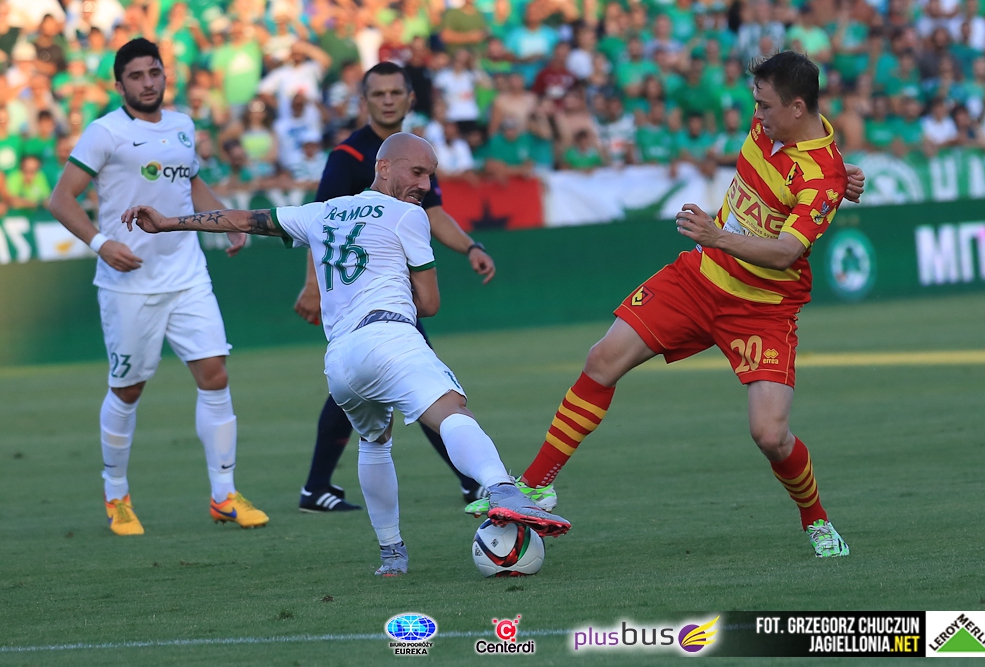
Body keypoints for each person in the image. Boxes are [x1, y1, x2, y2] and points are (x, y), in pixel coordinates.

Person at [466, 51, 869, 559]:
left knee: (770, 435)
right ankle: (535, 485)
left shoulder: (823, 179)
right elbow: (812, 156)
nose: (757, 114)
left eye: (765, 105)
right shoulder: (784, 135)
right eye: (755, 103)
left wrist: (719, 235)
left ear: (797, 107)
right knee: (602, 359)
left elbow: (787, 251)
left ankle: (816, 519)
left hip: (762, 308)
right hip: (698, 279)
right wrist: (844, 172)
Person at [121, 133, 572, 575]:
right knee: (452, 410)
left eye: (430, 176)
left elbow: (245, 219)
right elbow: (430, 304)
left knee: (375, 443)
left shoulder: (322, 211)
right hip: (389, 337)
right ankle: (501, 488)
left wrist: (168, 222)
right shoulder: (408, 215)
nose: (424, 184)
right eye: (417, 172)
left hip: (340, 361)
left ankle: (392, 554)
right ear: (383, 167)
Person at [48, 38, 268, 536]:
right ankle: (116, 495)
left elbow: (190, 184)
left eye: (154, 72)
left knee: (215, 374)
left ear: (165, 74)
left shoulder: (183, 125)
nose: (148, 83)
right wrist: (102, 243)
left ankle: (224, 494)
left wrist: (228, 221)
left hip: (187, 273)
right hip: (128, 282)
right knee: (128, 389)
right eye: (136, 76)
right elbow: (61, 199)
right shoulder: (105, 132)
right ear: (119, 84)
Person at [294, 61, 497, 514]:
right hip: (361, 300)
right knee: (421, 382)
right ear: (364, 101)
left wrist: (469, 247)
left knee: (365, 386)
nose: (387, 100)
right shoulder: (348, 157)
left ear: (410, 98)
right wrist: (312, 285)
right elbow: (320, 223)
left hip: (393, 297)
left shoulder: (414, 155)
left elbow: (434, 213)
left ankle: (315, 487)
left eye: (394, 92)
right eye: (378, 93)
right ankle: (475, 481)